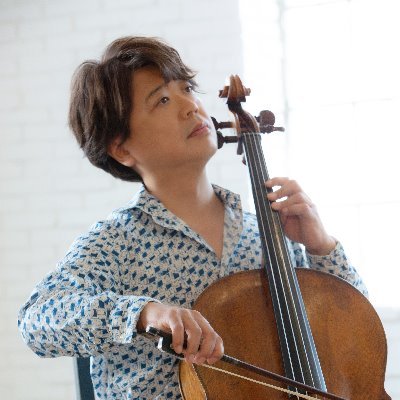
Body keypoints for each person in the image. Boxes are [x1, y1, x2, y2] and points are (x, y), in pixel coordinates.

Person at [18, 36, 368, 400]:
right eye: (162, 100)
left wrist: (321, 247)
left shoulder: (267, 233)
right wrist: (144, 313)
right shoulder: (116, 242)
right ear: (121, 148)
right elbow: (37, 320)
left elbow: (357, 329)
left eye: (187, 89)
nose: (191, 107)